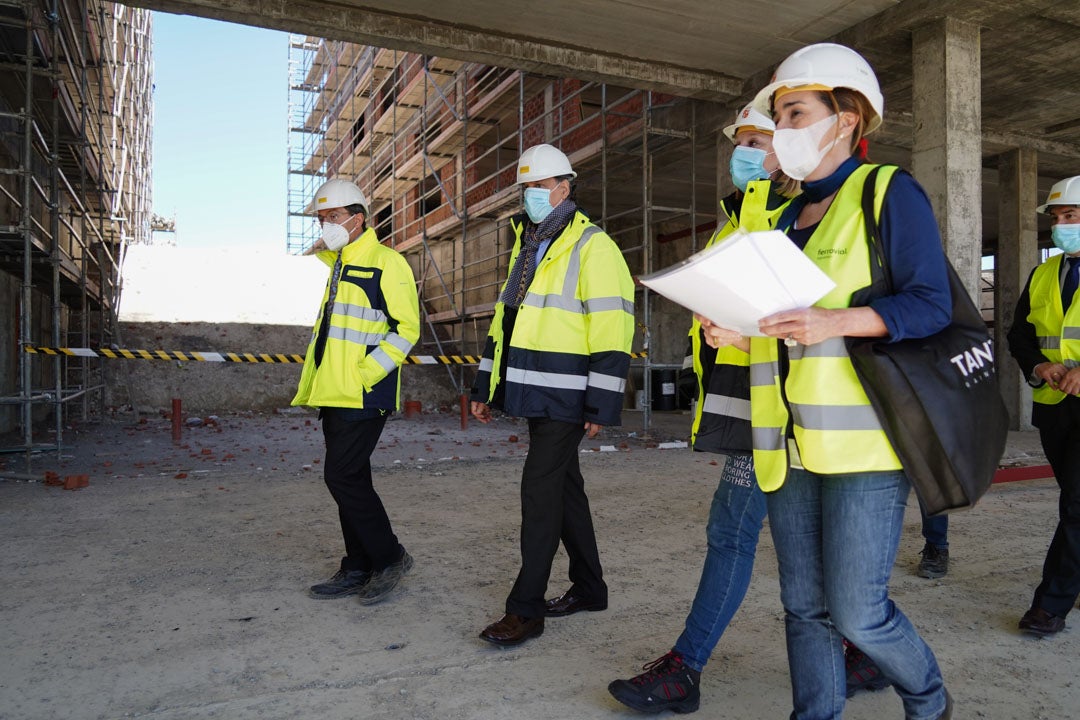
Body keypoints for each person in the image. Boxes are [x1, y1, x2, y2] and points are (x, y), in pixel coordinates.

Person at [700, 43, 953, 719]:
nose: (781, 129)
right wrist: (735, 329)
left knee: (858, 613)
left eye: (794, 112)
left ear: (846, 119)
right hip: (786, 443)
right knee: (802, 608)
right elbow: (782, 323)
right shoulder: (782, 218)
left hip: (864, 446)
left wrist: (835, 320)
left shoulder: (887, 192)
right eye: (779, 115)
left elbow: (932, 306)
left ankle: (929, 702)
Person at [608, 104, 793, 713]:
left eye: (757, 142)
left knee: (736, 536)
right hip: (749, 404)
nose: (743, 154)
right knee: (796, 546)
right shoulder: (731, 223)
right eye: (739, 142)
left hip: (787, 410)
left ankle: (686, 667)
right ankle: (866, 650)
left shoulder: (794, 215)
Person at [471, 143, 635, 647]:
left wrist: (601, 404)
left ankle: (526, 609)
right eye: (526, 189)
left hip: (566, 396)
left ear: (565, 186)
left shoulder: (593, 246)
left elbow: (614, 327)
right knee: (564, 490)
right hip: (532, 388)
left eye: (539, 187)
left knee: (539, 493)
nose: (531, 196)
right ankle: (590, 587)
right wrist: (485, 384)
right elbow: (507, 322)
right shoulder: (530, 245)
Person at [293, 178, 420, 605]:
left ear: (357, 218)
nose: (325, 224)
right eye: (321, 218)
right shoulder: (339, 265)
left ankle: (389, 558)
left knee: (341, 476)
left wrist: (368, 374)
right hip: (335, 392)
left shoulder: (387, 261)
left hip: (364, 393)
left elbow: (407, 330)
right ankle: (357, 565)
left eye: (332, 217)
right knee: (352, 477)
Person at [1007, 174, 1080, 637]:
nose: (1059, 226)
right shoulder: (1043, 273)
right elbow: (1020, 335)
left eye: (1069, 216)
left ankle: (1050, 604)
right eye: (1056, 218)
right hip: (1055, 407)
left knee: (1077, 504)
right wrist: (1039, 367)